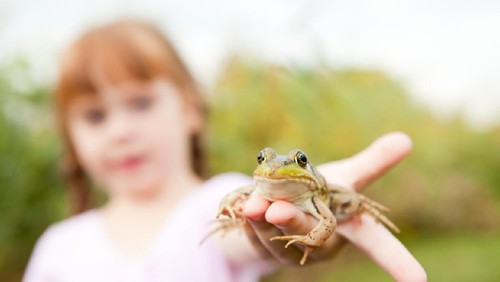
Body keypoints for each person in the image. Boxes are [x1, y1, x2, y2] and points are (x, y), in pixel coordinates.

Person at [23, 19, 426, 282]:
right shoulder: (58, 245)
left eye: (141, 103)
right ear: (70, 138)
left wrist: (304, 232)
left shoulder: (214, 204)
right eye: (95, 116)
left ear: (190, 109)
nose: (120, 131)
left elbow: (245, 233)